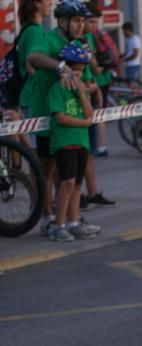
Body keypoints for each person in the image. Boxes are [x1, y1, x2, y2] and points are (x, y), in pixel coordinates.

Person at [25, 0, 102, 240]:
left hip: (73, 117)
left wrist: (91, 86)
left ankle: (70, 220)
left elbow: (88, 76)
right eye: (77, 21)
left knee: (67, 174)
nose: (81, 26)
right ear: (62, 21)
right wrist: (60, 67)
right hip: (47, 114)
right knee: (47, 169)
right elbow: (33, 56)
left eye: (83, 21)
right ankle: (47, 219)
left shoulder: (79, 43)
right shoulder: (49, 39)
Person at [45, 43, 95, 242]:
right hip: (64, 142)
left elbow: (90, 113)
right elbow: (60, 118)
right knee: (66, 183)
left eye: (81, 71)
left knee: (76, 185)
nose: (78, 75)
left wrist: (82, 92)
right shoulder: (56, 89)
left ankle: (74, 223)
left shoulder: (80, 89)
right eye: (74, 70)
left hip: (81, 142)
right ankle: (59, 225)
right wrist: (83, 122)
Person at [81, 1, 114, 211]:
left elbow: (95, 69)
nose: (94, 25)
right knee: (81, 151)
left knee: (89, 151)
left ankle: (91, 192)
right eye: (90, 21)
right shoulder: (79, 41)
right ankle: (80, 194)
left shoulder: (89, 38)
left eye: (95, 22)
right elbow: (92, 68)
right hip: (81, 98)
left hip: (92, 94)